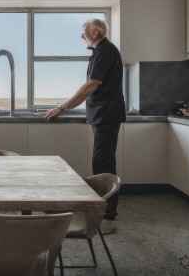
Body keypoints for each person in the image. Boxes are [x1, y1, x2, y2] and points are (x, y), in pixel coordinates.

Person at [44, 18, 125, 234]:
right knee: (102, 162)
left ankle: (108, 217)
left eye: (84, 32)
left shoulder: (104, 51)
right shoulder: (102, 51)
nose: (82, 36)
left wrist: (63, 107)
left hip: (106, 116)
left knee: (103, 164)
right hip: (104, 115)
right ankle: (103, 212)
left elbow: (90, 86)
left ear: (95, 32)